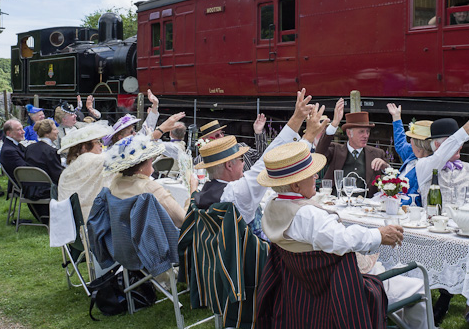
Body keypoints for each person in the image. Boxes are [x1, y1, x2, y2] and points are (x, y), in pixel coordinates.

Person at [258, 140, 457, 329]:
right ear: (295, 186)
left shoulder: (274, 207)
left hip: (308, 290)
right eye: (311, 174)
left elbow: (331, 239)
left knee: (395, 273)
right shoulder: (309, 216)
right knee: (418, 280)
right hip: (347, 291)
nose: (316, 177)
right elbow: (341, 240)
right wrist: (379, 235)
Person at [194, 89, 320, 240]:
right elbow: (267, 163)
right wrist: (305, 131)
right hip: (244, 259)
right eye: (241, 159)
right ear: (229, 166)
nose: (243, 164)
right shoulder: (236, 193)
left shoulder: (201, 194)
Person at [105, 134, 189, 227]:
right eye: (150, 157)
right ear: (142, 165)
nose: (152, 159)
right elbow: (182, 220)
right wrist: (192, 196)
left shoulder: (116, 182)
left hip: (120, 239)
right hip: (147, 240)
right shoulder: (148, 187)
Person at [413, 110, 469, 206]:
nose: (459, 147)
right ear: (437, 145)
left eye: (460, 144)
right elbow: (440, 156)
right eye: (452, 144)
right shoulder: (424, 165)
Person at [315, 99, 389, 197]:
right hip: (337, 202)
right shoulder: (336, 150)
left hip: (366, 206)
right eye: (361, 132)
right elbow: (319, 153)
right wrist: (334, 123)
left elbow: (392, 178)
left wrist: (385, 166)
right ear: (349, 133)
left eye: (367, 132)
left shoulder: (377, 153)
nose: (366, 135)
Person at [56, 123, 114, 222]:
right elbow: (116, 157)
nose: (101, 144)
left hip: (69, 219)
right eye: (97, 142)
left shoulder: (73, 165)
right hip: (91, 219)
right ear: (84, 147)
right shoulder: (88, 159)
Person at [387, 103, 429, 206]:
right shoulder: (413, 153)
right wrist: (396, 118)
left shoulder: (427, 165)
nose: (409, 141)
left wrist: (392, 204)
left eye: (411, 139)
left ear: (419, 144)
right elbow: (400, 143)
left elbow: (414, 197)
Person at [24, 118, 63, 195]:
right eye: (55, 129)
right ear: (47, 134)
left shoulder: (29, 148)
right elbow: (58, 175)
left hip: (30, 189)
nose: (57, 131)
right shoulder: (51, 151)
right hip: (47, 190)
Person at [0, 119, 28, 200]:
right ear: (9, 133)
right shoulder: (9, 150)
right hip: (24, 185)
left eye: (22, 128)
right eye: (19, 130)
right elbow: (24, 170)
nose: (23, 132)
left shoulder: (15, 145)